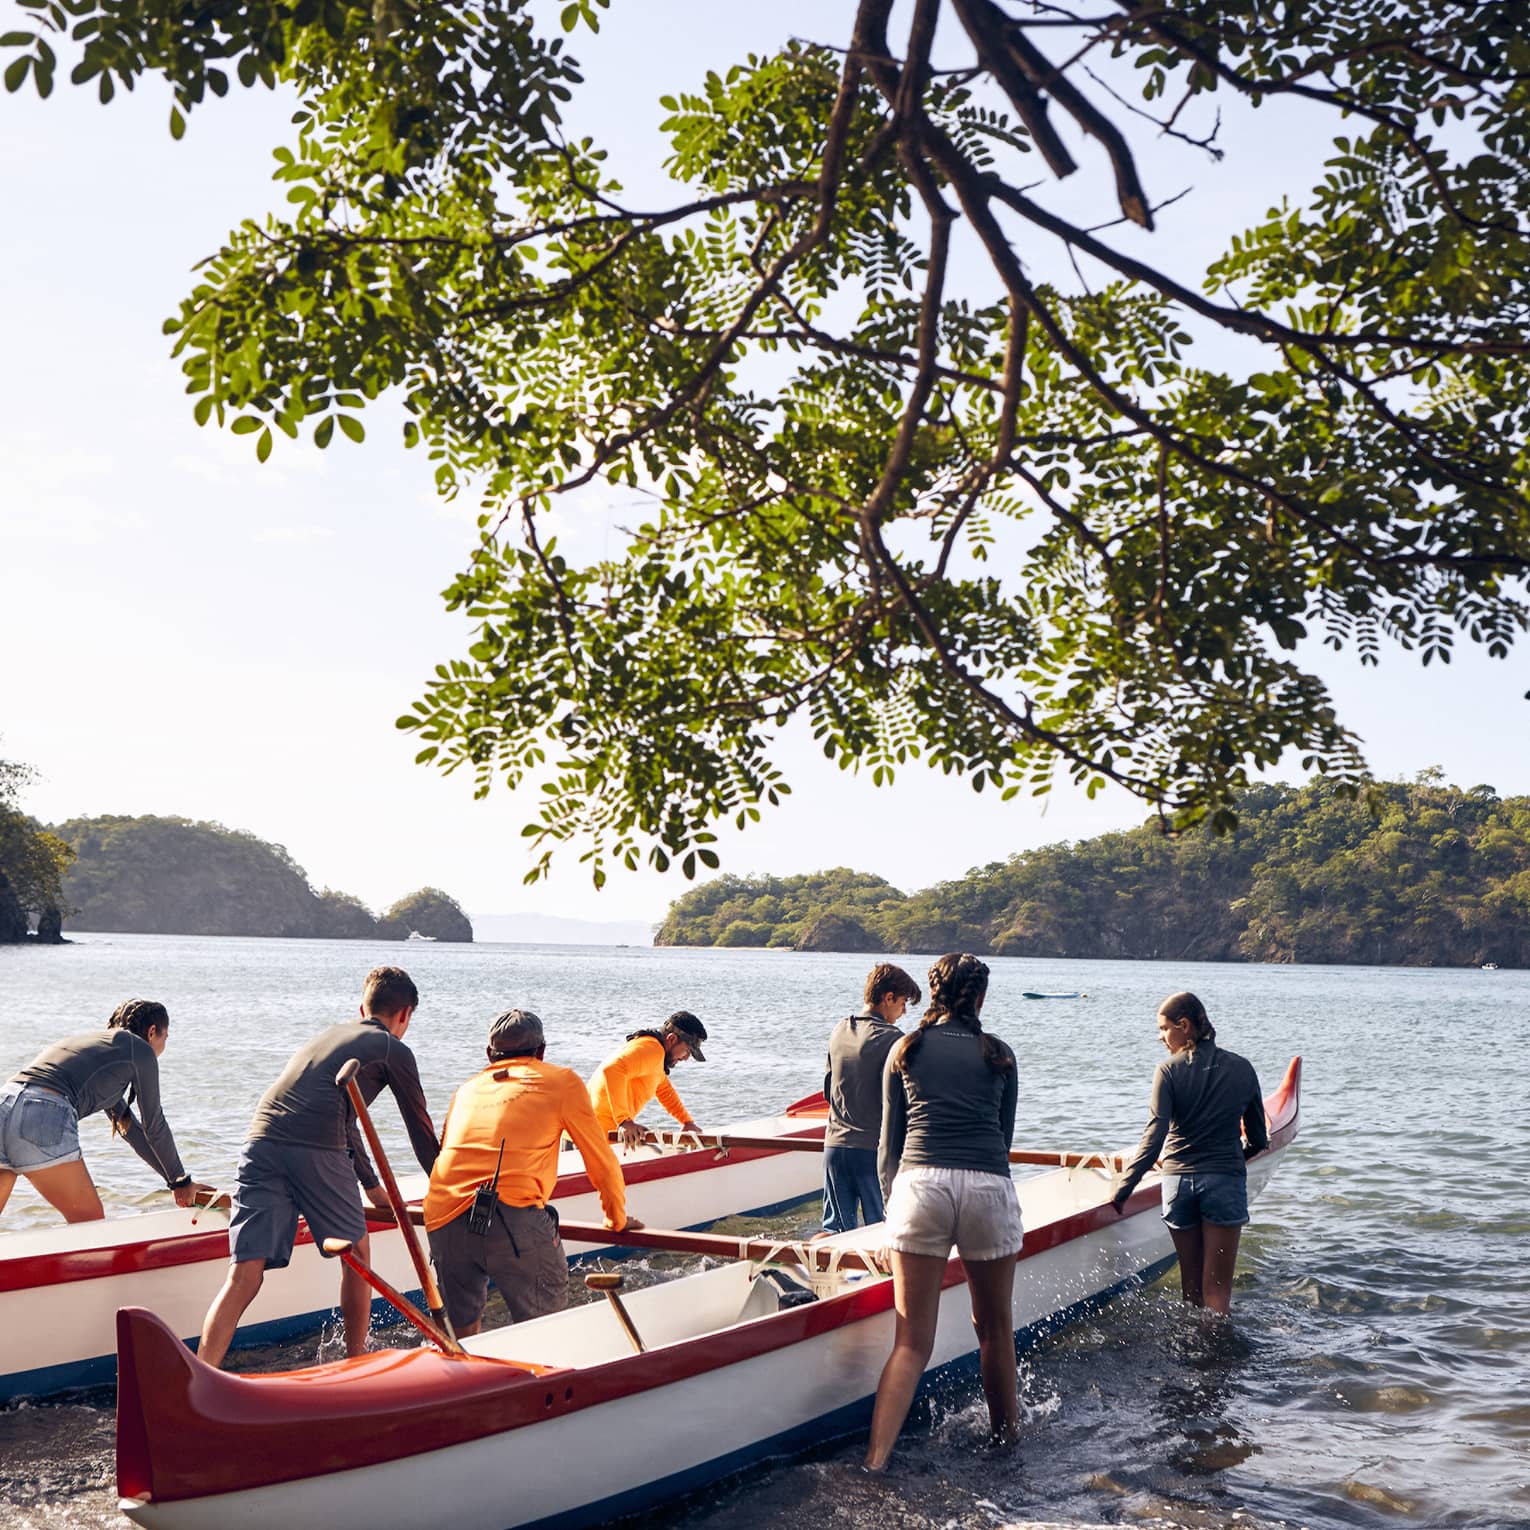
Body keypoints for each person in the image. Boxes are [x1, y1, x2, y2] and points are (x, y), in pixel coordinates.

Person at [197, 966, 439, 1368]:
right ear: (405, 1015)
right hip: (315, 1148)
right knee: (358, 1256)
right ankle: (356, 1364)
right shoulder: (393, 1049)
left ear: (362, 1007)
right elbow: (421, 1133)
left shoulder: (327, 1037)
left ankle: (202, 1371)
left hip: (259, 1141)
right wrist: (451, 1190)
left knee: (244, 1276)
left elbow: (345, 1116)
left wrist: (372, 1187)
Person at [865, 953, 1022, 1472]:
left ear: (933, 994)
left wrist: (892, 1219)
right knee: (995, 1330)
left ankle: (875, 1462)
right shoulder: (999, 1053)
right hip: (985, 1184)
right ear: (979, 998)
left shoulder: (905, 1049)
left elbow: (889, 1146)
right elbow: (1004, 1138)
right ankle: (1006, 1445)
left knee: (911, 1342)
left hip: (919, 1186)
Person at [424, 1009, 642, 1336]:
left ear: (489, 1055)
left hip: (442, 1215)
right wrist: (616, 1219)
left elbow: (446, 1152)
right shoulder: (561, 1081)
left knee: (460, 1336)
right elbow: (600, 1160)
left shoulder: (465, 1089)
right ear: (542, 1052)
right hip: (510, 1215)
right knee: (546, 1329)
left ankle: (469, 1378)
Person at [1110, 991, 1267, 1316]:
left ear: (1184, 1025)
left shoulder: (1167, 1071)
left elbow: (1155, 1137)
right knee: (1217, 1291)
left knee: (1191, 1289)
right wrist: (1236, 1159)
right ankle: (1216, 1361)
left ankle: (1189, 1358)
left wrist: (1122, 1190)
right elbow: (1257, 1138)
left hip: (1178, 1185)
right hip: (1224, 1180)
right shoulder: (1242, 1068)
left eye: (1164, 1028)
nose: (1161, 1036)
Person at [0, 999, 212, 1223]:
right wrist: (181, 1182)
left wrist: (174, 1182)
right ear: (152, 1032)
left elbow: (131, 1131)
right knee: (89, 1222)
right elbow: (154, 1125)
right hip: (43, 1111)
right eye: (165, 1038)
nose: (163, 1046)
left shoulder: (99, 1050)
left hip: (4, 1103)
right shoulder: (139, 1050)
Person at [819, 963, 922, 1235]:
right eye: (903, 1003)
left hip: (834, 1147)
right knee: (883, 1233)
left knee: (835, 1234)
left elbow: (829, 1092)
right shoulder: (895, 1040)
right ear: (888, 998)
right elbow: (909, 1102)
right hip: (873, 1152)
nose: (904, 1011)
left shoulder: (840, 1030)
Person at [587, 1011, 708, 1149]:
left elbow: (664, 1091)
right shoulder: (652, 1050)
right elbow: (612, 1069)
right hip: (588, 1139)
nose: (686, 1058)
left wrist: (687, 1122)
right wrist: (624, 1121)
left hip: (589, 1135)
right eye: (687, 1051)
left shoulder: (654, 1054)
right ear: (672, 1039)